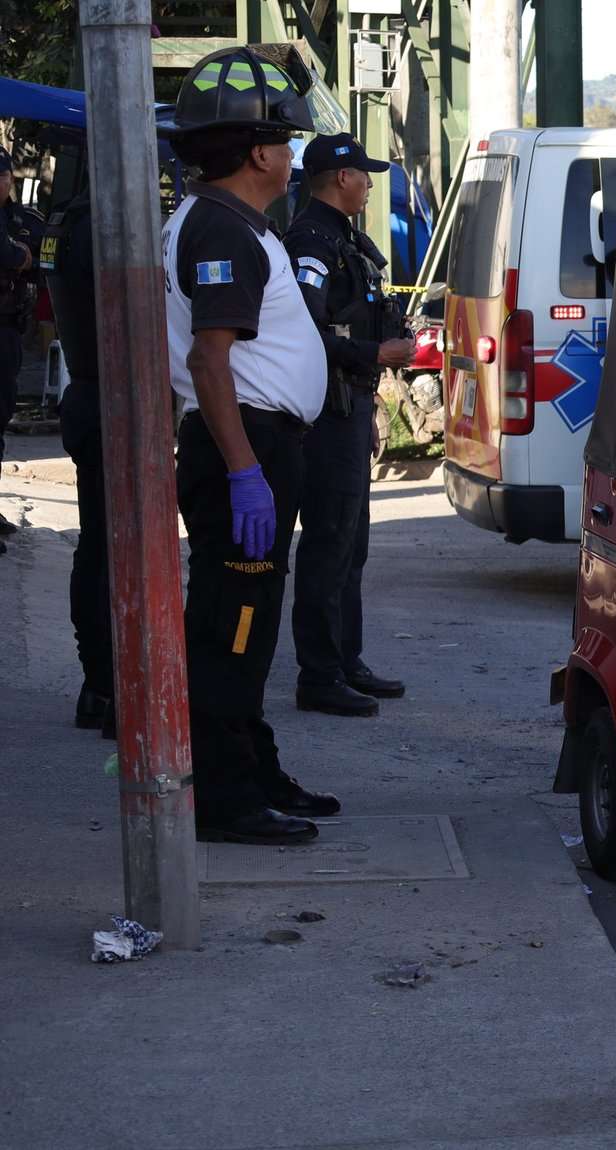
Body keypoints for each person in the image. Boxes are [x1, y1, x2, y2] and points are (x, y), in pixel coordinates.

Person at [164, 46, 342, 844]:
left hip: (258, 444)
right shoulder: (221, 229)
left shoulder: (232, 223)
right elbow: (211, 361)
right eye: (287, 140)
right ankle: (224, 796)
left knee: (247, 620)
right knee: (232, 623)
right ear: (259, 153)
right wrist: (244, 471)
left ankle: (252, 769)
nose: (295, 154)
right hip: (245, 445)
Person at [286, 133, 414, 717]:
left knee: (351, 544)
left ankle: (345, 660)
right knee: (329, 541)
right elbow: (305, 330)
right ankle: (319, 675)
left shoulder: (343, 238)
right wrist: (375, 353)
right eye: (364, 175)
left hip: (351, 405)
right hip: (329, 410)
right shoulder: (311, 241)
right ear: (342, 177)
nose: (368, 185)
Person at [38, 186, 116, 732]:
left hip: (91, 393)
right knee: (111, 552)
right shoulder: (101, 224)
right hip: (111, 397)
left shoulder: (66, 219)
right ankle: (110, 684)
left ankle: (101, 684)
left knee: (98, 549)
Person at [0, 147, 45, 552]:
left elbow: (40, 260)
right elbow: (11, 255)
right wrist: (16, 256)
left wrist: (21, 257)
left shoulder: (24, 219)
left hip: (7, 331)